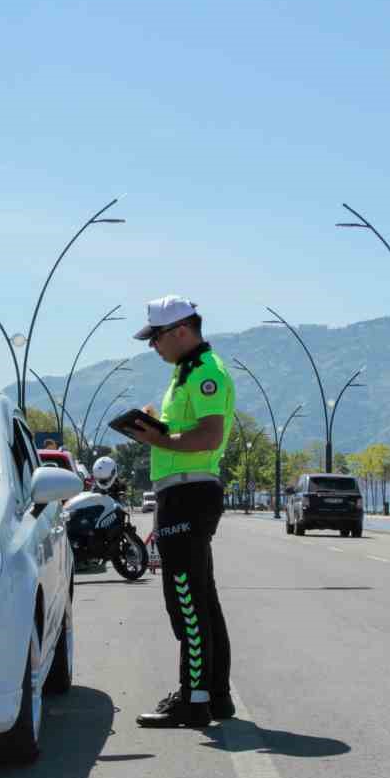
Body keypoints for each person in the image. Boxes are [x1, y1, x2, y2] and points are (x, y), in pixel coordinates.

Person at [119, 295, 236, 728]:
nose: (153, 346)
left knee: (185, 600)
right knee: (202, 598)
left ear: (182, 331)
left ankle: (194, 700)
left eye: (156, 337)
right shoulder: (185, 373)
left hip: (189, 495)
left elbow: (208, 435)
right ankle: (216, 697)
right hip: (183, 493)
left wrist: (157, 439)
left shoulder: (205, 372)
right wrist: (155, 425)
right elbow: (187, 430)